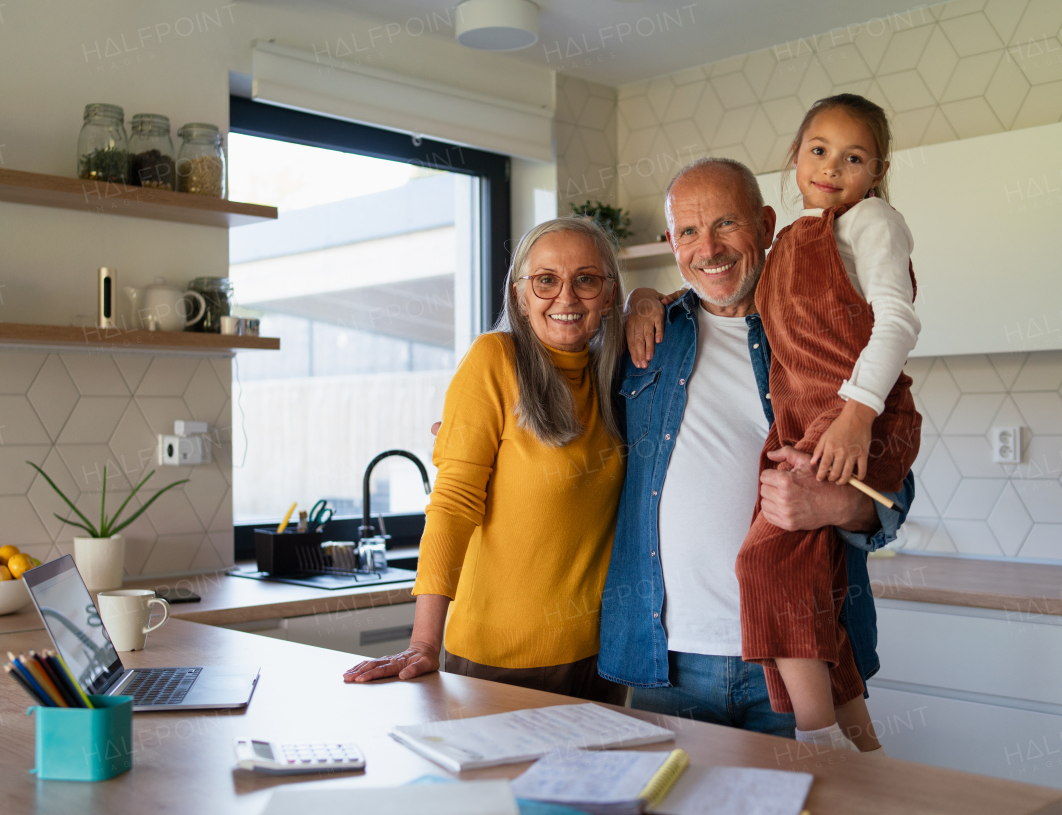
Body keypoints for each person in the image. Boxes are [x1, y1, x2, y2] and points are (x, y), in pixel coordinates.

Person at [597, 154, 915, 753]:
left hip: (806, 656)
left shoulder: (831, 328)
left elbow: (896, 484)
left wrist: (836, 505)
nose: (708, 248)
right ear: (671, 242)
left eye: (726, 224)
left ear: (767, 226)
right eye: (688, 232)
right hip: (666, 660)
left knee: (825, 801)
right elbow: (551, 376)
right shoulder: (645, 336)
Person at [343, 217, 628, 703]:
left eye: (586, 279)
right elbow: (452, 505)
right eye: (546, 281)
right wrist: (424, 642)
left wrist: (645, 300)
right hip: (498, 658)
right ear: (520, 296)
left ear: (607, 295)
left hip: (601, 656)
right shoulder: (494, 360)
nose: (566, 297)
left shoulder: (618, 374)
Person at [737, 94, 920, 752]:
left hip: (852, 422)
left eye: (853, 157)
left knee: (766, 565)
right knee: (819, 593)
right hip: (810, 424)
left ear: (877, 171)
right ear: (795, 156)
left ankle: (820, 743)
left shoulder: (872, 221)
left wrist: (855, 416)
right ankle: (862, 753)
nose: (832, 167)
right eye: (819, 150)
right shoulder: (794, 240)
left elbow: (897, 320)